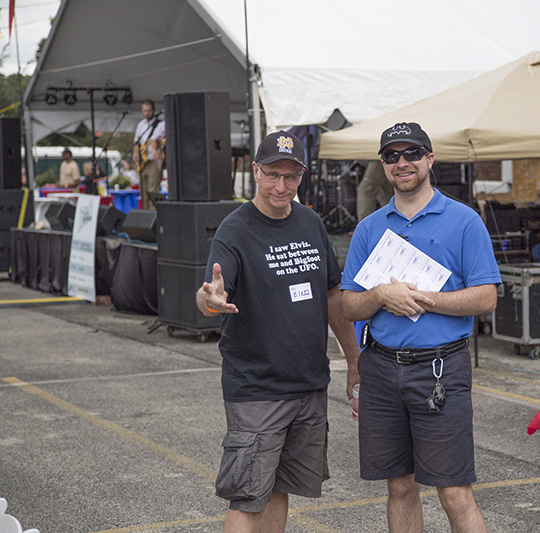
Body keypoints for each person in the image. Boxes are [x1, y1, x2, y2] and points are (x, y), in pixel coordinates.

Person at [195, 130, 360, 533]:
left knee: (279, 489)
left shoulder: (311, 223)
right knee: (249, 497)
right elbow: (211, 292)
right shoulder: (234, 231)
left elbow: (333, 295)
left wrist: (354, 360)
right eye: (272, 175)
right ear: (255, 171)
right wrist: (210, 299)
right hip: (257, 391)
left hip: (307, 386)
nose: (281, 186)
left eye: (290, 176)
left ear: (301, 175)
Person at [340, 122, 501, 533]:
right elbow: (346, 304)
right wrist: (379, 296)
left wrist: (422, 299)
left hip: (440, 370)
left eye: (412, 153)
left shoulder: (464, 221)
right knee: (399, 487)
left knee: (454, 492)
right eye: (392, 156)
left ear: (430, 159)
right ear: (383, 165)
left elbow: (486, 297)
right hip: (381, 370)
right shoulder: (370, 228)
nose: (402, 162)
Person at [133, 99, 166, 210]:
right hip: (143, 161)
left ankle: (153, 217)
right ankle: (145, 215)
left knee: (152, 190)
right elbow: (136, 142)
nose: (147, 113)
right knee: (143, 191)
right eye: (145, 111)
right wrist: (136, 153)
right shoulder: (141, 125)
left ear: (153, 110)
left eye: (149, 110)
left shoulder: (159, 124)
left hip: (153, 160)